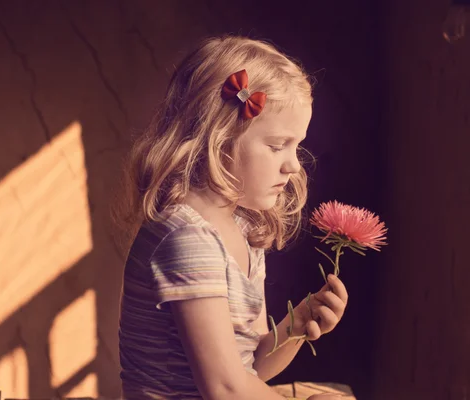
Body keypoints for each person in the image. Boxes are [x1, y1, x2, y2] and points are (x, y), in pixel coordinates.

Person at [113, 35, 349, 400]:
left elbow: (248, 366)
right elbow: (224, 388)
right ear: (219, 138)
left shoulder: (242, 230)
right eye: (276, 146)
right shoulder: (187, 239)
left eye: (296, 146)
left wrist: (296, 326)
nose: (292, 165)